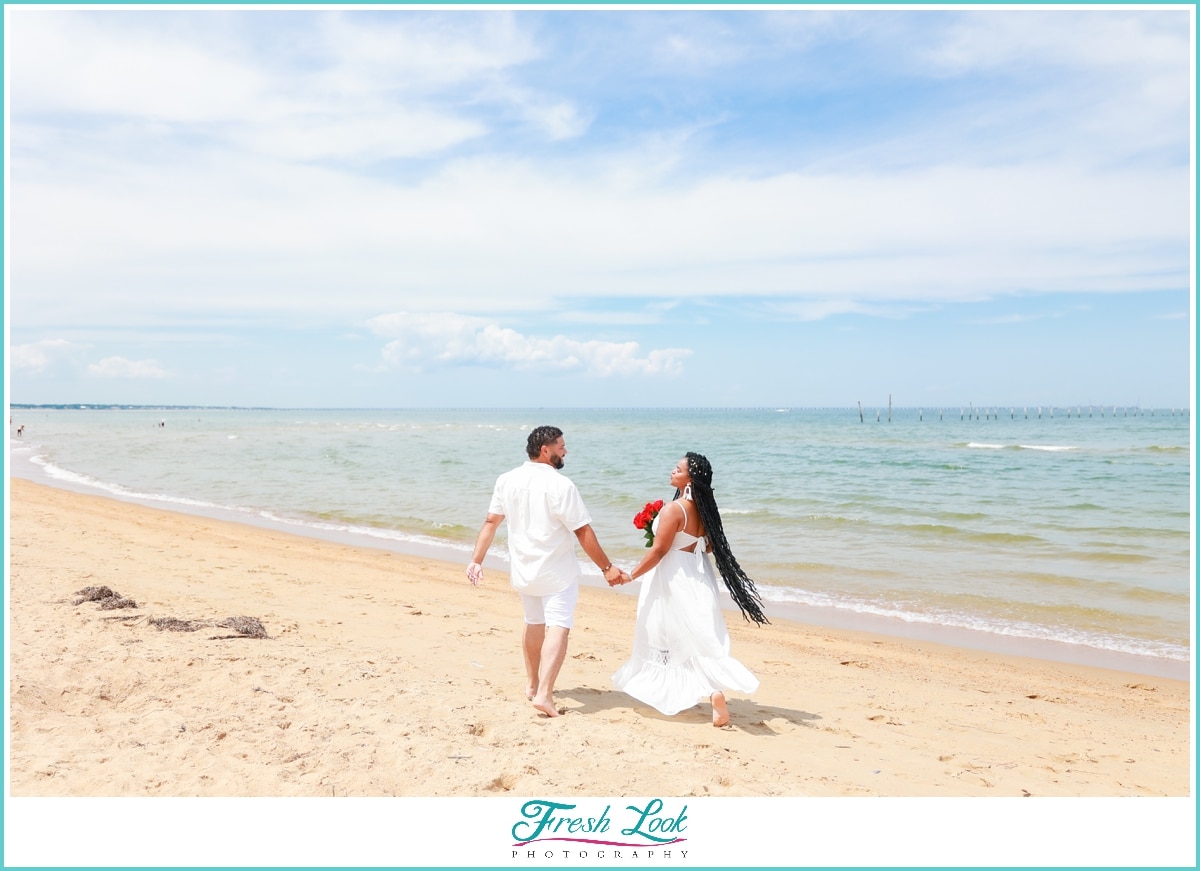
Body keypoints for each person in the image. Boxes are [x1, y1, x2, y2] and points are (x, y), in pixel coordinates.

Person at [468, 425, 630, 718]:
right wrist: (607, 568)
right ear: (546, 450)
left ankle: (532, 685)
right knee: (558, 625)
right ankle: (544, 694)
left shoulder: (506, 480)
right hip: (556, 571)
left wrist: (476, 560)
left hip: (523, 569)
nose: (565, 451)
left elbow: (491, 522)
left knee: (533, 622)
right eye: (561, 446)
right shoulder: (561, 485)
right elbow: (582, 531)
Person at [612, 452, 767, 727]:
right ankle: (713, 691)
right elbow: (707, 546)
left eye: (678, 469)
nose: (672, 471)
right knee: (693, 637)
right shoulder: (706, 511)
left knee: (667, 634)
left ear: (690, 479)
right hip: (698, 575)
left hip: (671, 577)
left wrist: (632, 574)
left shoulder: (674, 509)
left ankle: (708, 691)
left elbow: (659, 550)